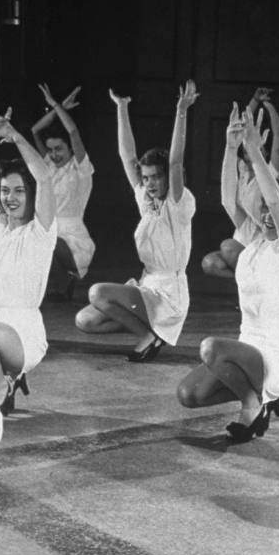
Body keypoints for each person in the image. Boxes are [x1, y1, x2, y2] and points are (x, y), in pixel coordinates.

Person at [178, 103, 279, 441]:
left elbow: (278, 202)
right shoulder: (253, 241)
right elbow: (227, 200)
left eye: (277, 210)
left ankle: (254, 406)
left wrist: (254, 150)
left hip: (278, 357)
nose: (268, 213)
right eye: (265, 208)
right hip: (246, 349)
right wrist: (230, 146)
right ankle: (260, 397)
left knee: (210, 347)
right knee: (189, 394)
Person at [74, 80, 198, 361]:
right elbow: (126, 155)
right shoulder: (146, 200)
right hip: (147, 285)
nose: (150, 183)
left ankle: (148, 336)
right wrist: (121, 108)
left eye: (156, 176)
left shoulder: (178, 204)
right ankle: (150, 331)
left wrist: (182, 111)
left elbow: (176, 161)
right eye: (146, 178)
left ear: (167, 177)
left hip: (169, 294)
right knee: (86, 321)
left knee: (97, 292)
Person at [0, 110, 58, 414]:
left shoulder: (41, 230)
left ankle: (5, 383)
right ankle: (6, 380)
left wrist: (14, 135)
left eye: (18, 190)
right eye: (4, 190)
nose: (10, 198)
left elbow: (43, 175)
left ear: (31, 193)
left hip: (22, 331)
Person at [200, 88, 279, 283]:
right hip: (245, 232)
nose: (253, 149)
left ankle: (261, 280)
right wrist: (255, 100)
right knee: (209, 263)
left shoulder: (271, 172)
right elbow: (241, 125)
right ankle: (251, 281)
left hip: (265, 235)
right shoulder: (242, 169)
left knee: (228, 247)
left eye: (260, 147)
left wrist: (269, 106)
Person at [30, 83, 94, 299]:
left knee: (49, 241)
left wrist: (56, 105)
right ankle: (56, 286)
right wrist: (60, 110)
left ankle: (67, 279)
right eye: (50, 150)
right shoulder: (48, 165)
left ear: (70, 149)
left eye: (59, 149)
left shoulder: (81, 169)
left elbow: (73, 131)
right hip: (51, 230)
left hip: (73, 242)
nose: (54, 154)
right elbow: (35, 130)